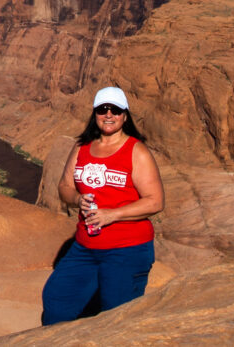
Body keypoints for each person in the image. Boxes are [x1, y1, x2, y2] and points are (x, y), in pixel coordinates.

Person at [41, 86, 164, 325]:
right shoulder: (82, 148)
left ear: (125, 116)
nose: (109, 115)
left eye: (115, 110)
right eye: (102, 109)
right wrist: (77, 199)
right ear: (95, 113)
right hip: (85, 248)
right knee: (56, 300)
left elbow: (155, 201)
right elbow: (65, 187)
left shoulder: (136, 151)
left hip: (127, 249)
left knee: (116, 319)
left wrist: (112, 215)